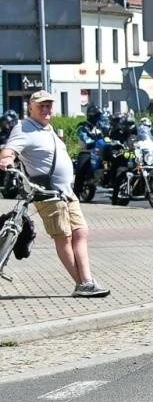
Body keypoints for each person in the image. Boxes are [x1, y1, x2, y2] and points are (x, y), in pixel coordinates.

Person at [0, 91, 109, 297]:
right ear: (30, 108)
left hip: (66, 192)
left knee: (80, 232)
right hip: (46, 192)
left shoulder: (47, 128)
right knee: (64, 236)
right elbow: (10, 150)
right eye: (41, 105)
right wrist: (6, 159)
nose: (45, 109)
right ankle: (83, 283)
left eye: (49, 105)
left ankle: (87, 280)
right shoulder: (24, 128)